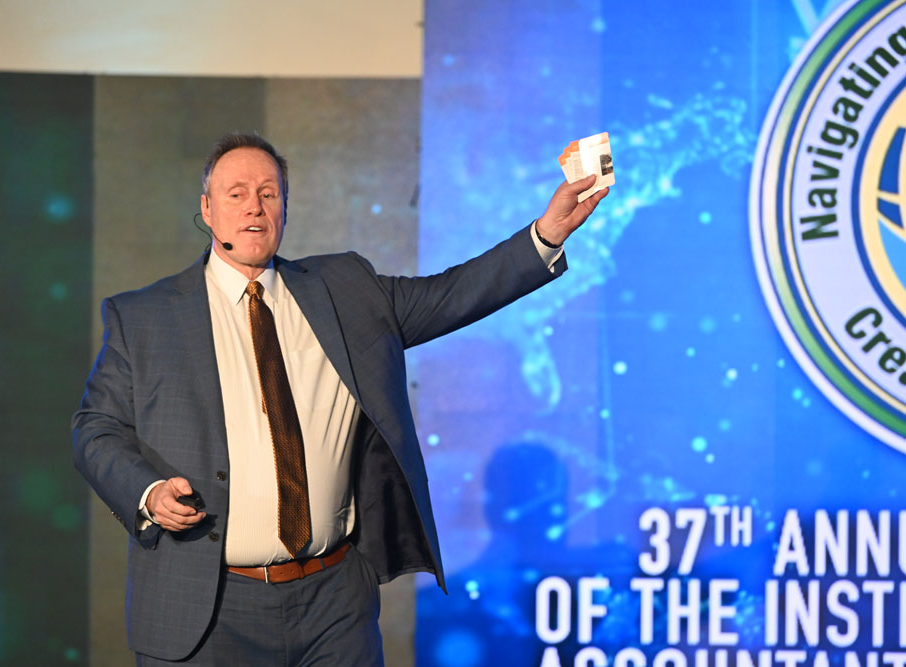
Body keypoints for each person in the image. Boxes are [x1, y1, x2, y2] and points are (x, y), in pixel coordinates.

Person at [72, 132, 608, 666]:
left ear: (285, 208)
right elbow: (95, 429)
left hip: (333, 603)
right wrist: (147, 492)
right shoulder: (145, 317)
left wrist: (546, 233)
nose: (254, 206)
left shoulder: (345, 290)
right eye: (236, 194)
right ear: (207, 210)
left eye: (268, 193)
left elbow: (451, 294)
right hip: (208, 606)